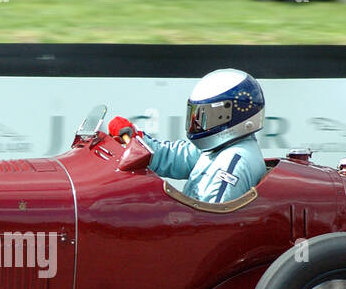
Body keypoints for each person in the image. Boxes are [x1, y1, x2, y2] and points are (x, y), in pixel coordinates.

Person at [108, 69, 268, 204]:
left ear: (232, 114)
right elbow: (172, 157)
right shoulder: (220, 148)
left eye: (208, 115)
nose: (197, 122)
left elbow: (209, 221)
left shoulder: (234, 162)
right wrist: (135, 138)